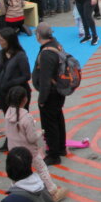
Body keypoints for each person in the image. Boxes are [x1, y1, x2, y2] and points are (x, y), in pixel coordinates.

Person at [4, 86, 65, 202]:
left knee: (17, 173)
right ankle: (52, 191)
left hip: (14, 151)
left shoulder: (8, 113)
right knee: (42, 169)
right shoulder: (26, 117)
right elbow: (31, 138)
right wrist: (40, 133)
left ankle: (16, 193)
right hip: (29, 151)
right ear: (24, 100)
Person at [33, 23, 68, 165]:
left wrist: (41, 99)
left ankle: (54, 154)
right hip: (58, 90)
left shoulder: (47, 53)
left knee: (50, 124)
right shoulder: (56, 45)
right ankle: (61, 147)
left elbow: (45, 80)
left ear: (38, 35)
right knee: (58, 119)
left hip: (51, 94)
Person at [0, 27, 31, 139]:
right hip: (3, 94)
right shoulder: (0, 54)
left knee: (19, 119)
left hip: (17, 94)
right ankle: (10, 139)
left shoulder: (20, 55)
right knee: (8, 117)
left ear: (9, 40)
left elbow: (26, 76)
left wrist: (9, 83)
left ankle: (23, 139)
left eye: (2, 40)